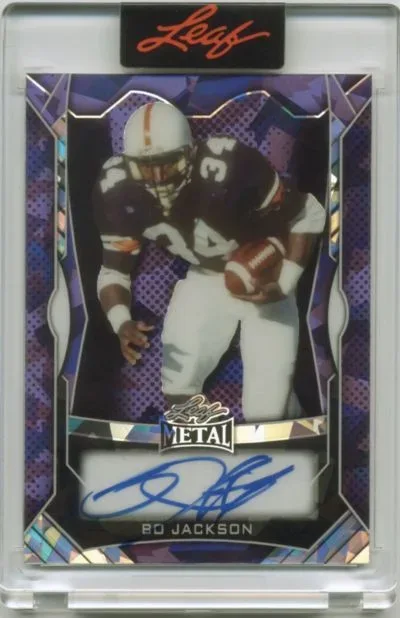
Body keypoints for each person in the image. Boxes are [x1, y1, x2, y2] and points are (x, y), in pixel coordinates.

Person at [93, 101, 325, 422]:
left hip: (264, 272)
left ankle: (296, 428)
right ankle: (198, 447)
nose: (158, 178)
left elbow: (308, 213)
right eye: (146, 167)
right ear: (128, 163)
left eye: (168, 163)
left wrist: (284, 282)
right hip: (205, 276)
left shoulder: (230, 166)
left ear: (190, 153)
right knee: (178, 386)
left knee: (266, 413)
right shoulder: (116, 189)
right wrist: (121, 322)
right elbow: (113, 270)